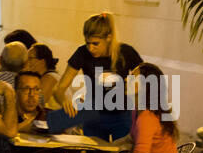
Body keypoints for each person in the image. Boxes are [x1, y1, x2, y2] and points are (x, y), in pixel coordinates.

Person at [48, 11, 142, 140]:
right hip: (93, 115)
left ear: (109, 37)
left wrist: (129, 87)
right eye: (88, 43)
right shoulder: (82, 53)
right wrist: (64, 101)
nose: (91, 48)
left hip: (121, 116)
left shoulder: (126, 52)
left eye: (95, 43)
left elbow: (144, 79)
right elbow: (58, 89)